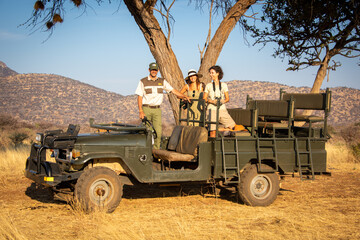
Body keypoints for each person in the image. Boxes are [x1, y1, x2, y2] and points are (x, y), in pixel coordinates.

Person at [135, 62, 191, 149]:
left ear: (158, 70)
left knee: (158, 131)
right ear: (149, 70)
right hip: (146, 109)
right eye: (152, 70)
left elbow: (172, 90)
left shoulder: (162, 81)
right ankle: (146, 150)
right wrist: (141, 111)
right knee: (147, 131)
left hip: (157, 109)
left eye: (155, 70)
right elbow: (139, 96)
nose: (154, 71)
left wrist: (184, 96)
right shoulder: (143, 81)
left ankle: (156, 150)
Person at [203, 65, 243, 138]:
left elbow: (227, 99)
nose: (210, 75)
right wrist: (212, 101)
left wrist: (222, 101)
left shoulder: (224, 85)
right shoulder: (208, 85)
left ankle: (222, 131)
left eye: (212, 73)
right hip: (211, 110)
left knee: (234, 127)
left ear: (218, 73)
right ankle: (212, 147)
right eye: (210, 73)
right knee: (212, 132)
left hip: (222, 109)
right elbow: (204, 98)